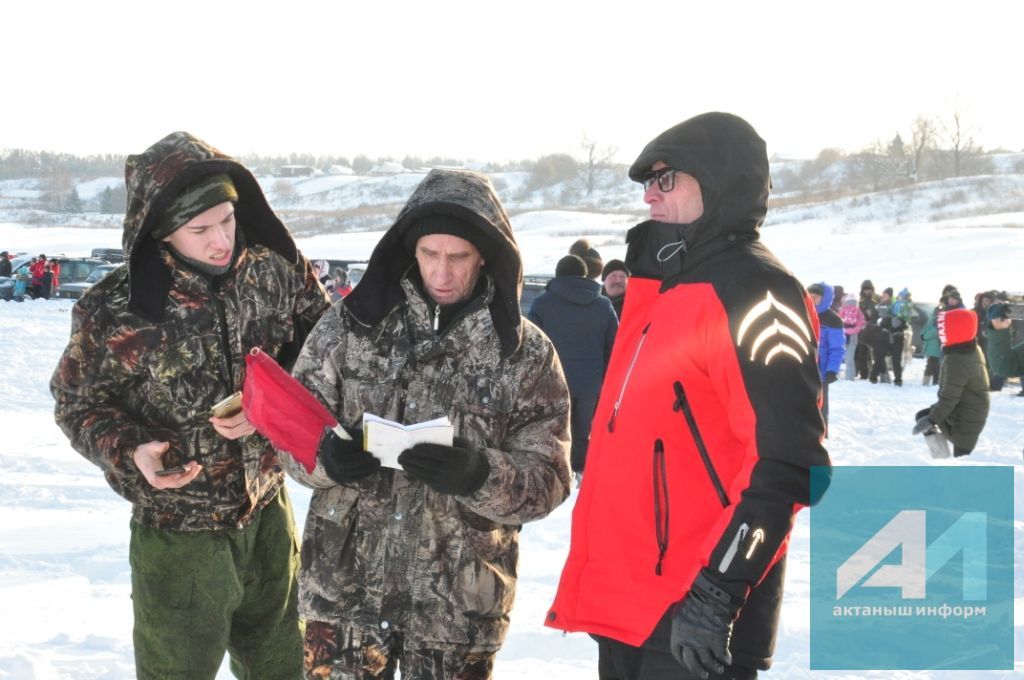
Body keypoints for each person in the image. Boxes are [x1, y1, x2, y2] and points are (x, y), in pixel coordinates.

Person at [546, 112, 831, 680]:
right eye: (647, 182)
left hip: (695, 616)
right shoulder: (661, 290)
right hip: (630, 605)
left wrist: (718, 592)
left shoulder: (756, 291)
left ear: (718, 181)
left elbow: (790, 463)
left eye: (666, 178)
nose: (650, 194)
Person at [50, 131, 331, 679]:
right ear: (161, 231)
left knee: (285, 669)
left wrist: (273, 406)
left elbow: (325, 354)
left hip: (268, 513)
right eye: (200, 229)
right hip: (177, 533)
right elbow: (77, 402)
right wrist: (132, 450)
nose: (221, 239)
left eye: (227, 219)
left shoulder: (274, 271)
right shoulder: (114, 308)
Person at [283, 168, 572, 680]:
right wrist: (325, 456)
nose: (441, 272)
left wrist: (480, 475)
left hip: (456, 611)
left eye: (457, 257)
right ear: (409, 249)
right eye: (429, 254)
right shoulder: (349, 326)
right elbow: (290, 432)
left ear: (485, 254)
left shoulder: (525, 354)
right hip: (345, 598)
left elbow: (550, 478)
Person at [529, 253, 618, 482]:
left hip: (552, 379)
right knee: (583, 431)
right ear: (586, 275)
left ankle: (555, 473)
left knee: (554, 429)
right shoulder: (603, 305)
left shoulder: (542, 303)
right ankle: (581, 471)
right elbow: (614, 346)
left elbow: (531, 345)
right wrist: (603, 375)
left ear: (558, 276)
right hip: (592, 380)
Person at [912, 308, 990, 458]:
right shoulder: (969, 347)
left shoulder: (958, 359)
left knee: (961, 455)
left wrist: (931, 419)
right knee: (923, 416)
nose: (940, 333)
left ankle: (942, 461)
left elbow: (949, 398)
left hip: (965, 419)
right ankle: (943, 459)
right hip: (968, 410)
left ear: (956, 331)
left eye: (943, 329)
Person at [808, 282, 843, 430]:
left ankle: (821, 434)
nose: (813, 298)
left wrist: (832, 369)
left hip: (820, 371)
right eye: (811, 295)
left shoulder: (832, 320)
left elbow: (837, 349)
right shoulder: (803, 314)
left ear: (825, 298)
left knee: (820, 406)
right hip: (801, 367)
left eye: (817, 296)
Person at [838, 293, 865, 381]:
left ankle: (849, 377)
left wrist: (848, 330)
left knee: (848, 358)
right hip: (846, 335)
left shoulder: (855, 311)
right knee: (847, 358)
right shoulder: (844, 311)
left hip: (850, 336)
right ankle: (848, 376)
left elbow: (861, 323)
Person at [854, 279, 878, 379]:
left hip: (873, 330)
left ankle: (874, 373)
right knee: (862, 353)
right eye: (865, 290)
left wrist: (872, 320)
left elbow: (878, 315)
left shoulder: (877, 301)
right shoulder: (860, 302)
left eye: (869, 289)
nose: (867, 291)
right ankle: (864, 374)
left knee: (875, 354)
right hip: (862, 331)